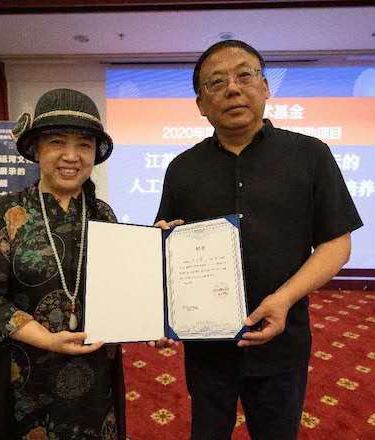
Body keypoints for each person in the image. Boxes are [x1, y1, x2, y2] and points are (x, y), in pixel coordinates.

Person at [154, 40, 363, 440]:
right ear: (200, 104)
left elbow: (337, 244)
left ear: (265, 87)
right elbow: (166, 244)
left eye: (244, 75)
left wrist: (283, 299)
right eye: (216, 82)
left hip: (283, 342)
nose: (233, 88)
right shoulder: (182, 169)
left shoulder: (311, 155)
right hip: (205, 346)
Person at [0, 88, 125, 440]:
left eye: (84, 145)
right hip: (25, 372)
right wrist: (47, 340)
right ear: (36, 148)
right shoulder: (6, 212)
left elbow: (120, 287)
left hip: (95, 370)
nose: (71, 156)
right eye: (57, 142)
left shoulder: (103, 214)